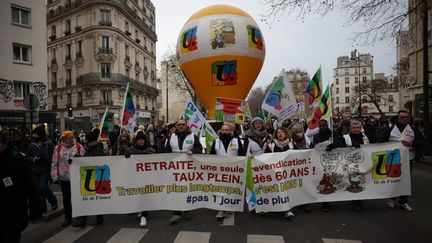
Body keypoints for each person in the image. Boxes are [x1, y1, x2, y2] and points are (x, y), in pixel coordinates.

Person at [1, 133, 42, 242]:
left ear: (4, 145)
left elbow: (30, 186)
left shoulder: (17, 160)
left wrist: (35, 211)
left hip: (13, 211)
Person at [376, 110, 421, 212]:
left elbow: (423, 141)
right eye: (402, 117)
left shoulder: (413, 129)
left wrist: (412, 144)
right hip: (393, 158)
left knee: (406, 180)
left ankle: (403, 202)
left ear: (409, 118)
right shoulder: (391, 128)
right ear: (398, 118)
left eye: (406, 117)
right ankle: (391, 198)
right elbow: (381, 139)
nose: (404, 119)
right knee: (393, 178)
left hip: (408, 158)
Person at [162, 118, 203, 224]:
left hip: (188, 169)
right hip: (174, 168)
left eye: (182, 124)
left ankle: (187, 210)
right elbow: (166, 151)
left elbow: (200, 149)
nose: (180, 126)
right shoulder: (172, 136)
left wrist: (193, 151)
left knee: (187, 189)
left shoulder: (193, 136)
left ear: (186, 125)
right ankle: (176, 213)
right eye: (178, 124)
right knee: (176, 189)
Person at [331, 120, 369, 211]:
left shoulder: (365, 137)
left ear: (361, 128)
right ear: (350, 129)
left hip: (361, 163)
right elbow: (340, 148)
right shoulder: (345, 137)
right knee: (350, 182)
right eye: (354, 128)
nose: (356, 129)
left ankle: (358, 201)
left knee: (360, 182)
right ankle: (354, 201)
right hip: (349, 164)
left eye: (358, 128)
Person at [210, 124, 245, 219]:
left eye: (227, 130)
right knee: (221, 190)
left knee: (232, 190)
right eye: (223, 130)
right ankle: (221, 209)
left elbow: (242, 153)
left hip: (234, 171)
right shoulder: (216, 141)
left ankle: (231, 207)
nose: (225, 132)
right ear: (220, 131)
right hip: (220, 171)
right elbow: (211, 155)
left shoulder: (236, 140)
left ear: (230, 131)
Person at [72, 129, 106, 228]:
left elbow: (97, 163)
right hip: (88, 176)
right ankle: (83, 219)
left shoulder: (96, 149)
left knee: (93, 198)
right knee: (87, 198)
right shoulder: (90, 148)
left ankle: (96, 217)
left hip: (95, 177)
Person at [51, 131, 85, 227]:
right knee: (66, 198)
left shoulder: (79, 147)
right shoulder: (58, 148)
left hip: (77, 177)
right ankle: (67, 217)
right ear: (62, 139)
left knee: (77, 198)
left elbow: (85, 161)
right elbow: (54, 163)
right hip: (64, 177)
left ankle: (79, 217)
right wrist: (55, 177)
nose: (69, 140)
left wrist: (80, 158)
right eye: (66, 139)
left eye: (70, 138)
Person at [124, 131, 156, 227]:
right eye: (139, 140)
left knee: (145, 194)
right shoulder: (131, 150)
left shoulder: (150, 150)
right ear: (136, 140)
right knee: (137, 193)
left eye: (142, 139)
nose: (141, 141)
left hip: (146, 176)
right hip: (135, 176)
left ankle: (144, 216)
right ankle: (140, 209)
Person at [264, 127, 295, 219]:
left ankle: (287, 210)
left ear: (285, 133)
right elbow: (265, 156)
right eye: (278, 133)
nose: (280, 134)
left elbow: (298, 154)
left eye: (282, 132)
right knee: (278, 190)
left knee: (287, 190)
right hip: (275, 172)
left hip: (289, 171)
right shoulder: (271, 145)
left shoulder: (291, 143)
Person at [26, 125, 58, 214]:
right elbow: (28, 157)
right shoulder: (31, 145)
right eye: (33, 136)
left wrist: (41, 157)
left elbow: (51, 157)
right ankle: (42, 207)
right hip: (34, 170)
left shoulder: (49, 144)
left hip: (44, 169)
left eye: (36, 136)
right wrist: (33, 159)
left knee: (43, 187)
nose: (34, 137)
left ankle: (53, 200)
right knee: (38, 189)